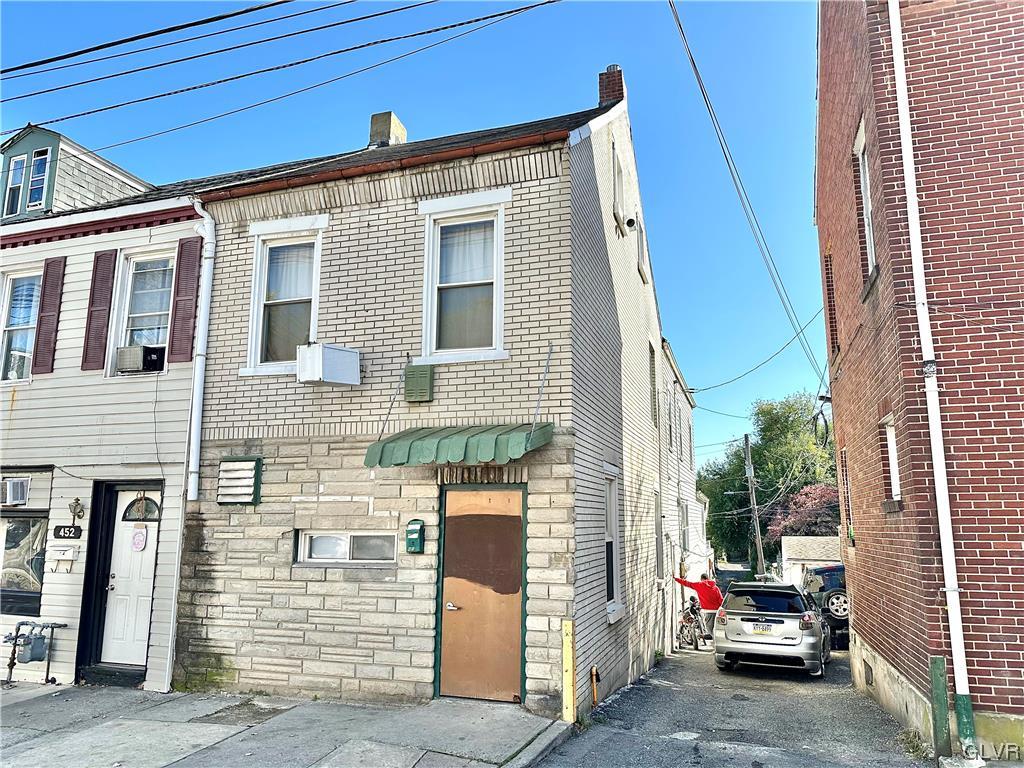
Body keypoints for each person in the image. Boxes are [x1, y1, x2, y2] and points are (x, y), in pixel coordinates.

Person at [674, 573, 723, 639]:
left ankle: (718, 642)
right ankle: (717, 640)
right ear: (708, 579)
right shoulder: (716, 588)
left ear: (701, 579)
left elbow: (687, 583)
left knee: (709, 628)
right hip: (717, 611)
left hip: (708, 611)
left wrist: (676, 579)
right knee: (717, 628)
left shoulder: (699, 585)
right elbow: (721, 599)